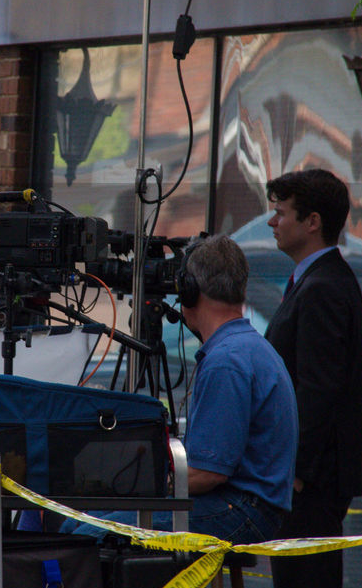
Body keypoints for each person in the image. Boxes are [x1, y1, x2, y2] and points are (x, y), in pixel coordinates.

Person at [63, 233, 296, 546]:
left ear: (188, 291)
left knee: (86, 536)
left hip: (239, 510)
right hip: (243, 505)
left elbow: (206, 473)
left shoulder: (226, 360)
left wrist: (137, 483)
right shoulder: (245, 347)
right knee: (73, 521)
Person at [263, 168, 362, 588]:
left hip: (312, 481)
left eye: (280, 212)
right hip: (309, 477)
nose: (271, 221)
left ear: (312, 222)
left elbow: (319, 389)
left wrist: (296, 474)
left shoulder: (323, 286)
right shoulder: (315, 281)